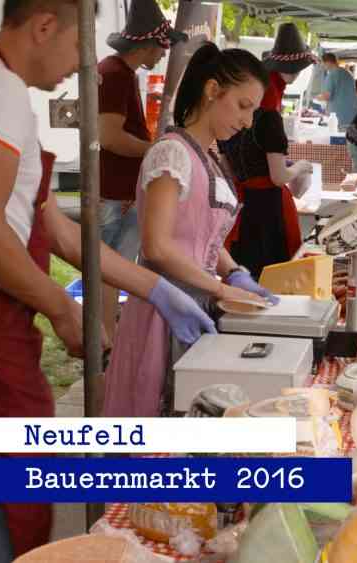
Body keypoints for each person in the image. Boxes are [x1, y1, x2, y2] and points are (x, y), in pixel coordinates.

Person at [0, 0, 215, 556]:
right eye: (78, 46)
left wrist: (155, 290)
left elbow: (62, 235)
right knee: (19, 502)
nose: (81, 66)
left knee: (1, 493)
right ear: (44, 26)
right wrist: (60, 306)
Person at [103, 44, 278, 418]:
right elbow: (157, 246)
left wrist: (233, 271)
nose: (247, 122)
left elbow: (201, 225)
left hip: (195, 302)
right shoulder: (172, 154)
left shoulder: (209, 155)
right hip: (162, 307)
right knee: (156, 416)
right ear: (213, 90)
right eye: (243, 106)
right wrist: (218, 286)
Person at [98, 0, 186, 341]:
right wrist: (154, 149)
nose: (164, 53)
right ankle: (106, 340)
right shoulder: (116, 74)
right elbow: (109, 137)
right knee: (111, 271)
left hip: (118, 190)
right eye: (163, 45)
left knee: (113, 270)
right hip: (114, 192)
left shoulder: (119, 73)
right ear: (148, 44)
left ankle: (108, 337)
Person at [217, 23, 315, 278]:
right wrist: (302, 166)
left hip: (241, 205)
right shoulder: (269, 117)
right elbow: (278, 176)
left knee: (243, 275)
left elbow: (227, 165)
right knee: (271, 278)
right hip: (268, 211)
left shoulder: (228, 118)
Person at [317, 52, 357, 130]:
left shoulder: (331, 75)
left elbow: (327, 96)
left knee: (339, 140)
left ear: (327, 62)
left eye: (323, 63)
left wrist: (318, 97)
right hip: (354, 114)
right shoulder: (348, 73)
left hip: (340, 117)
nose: (322, 66)